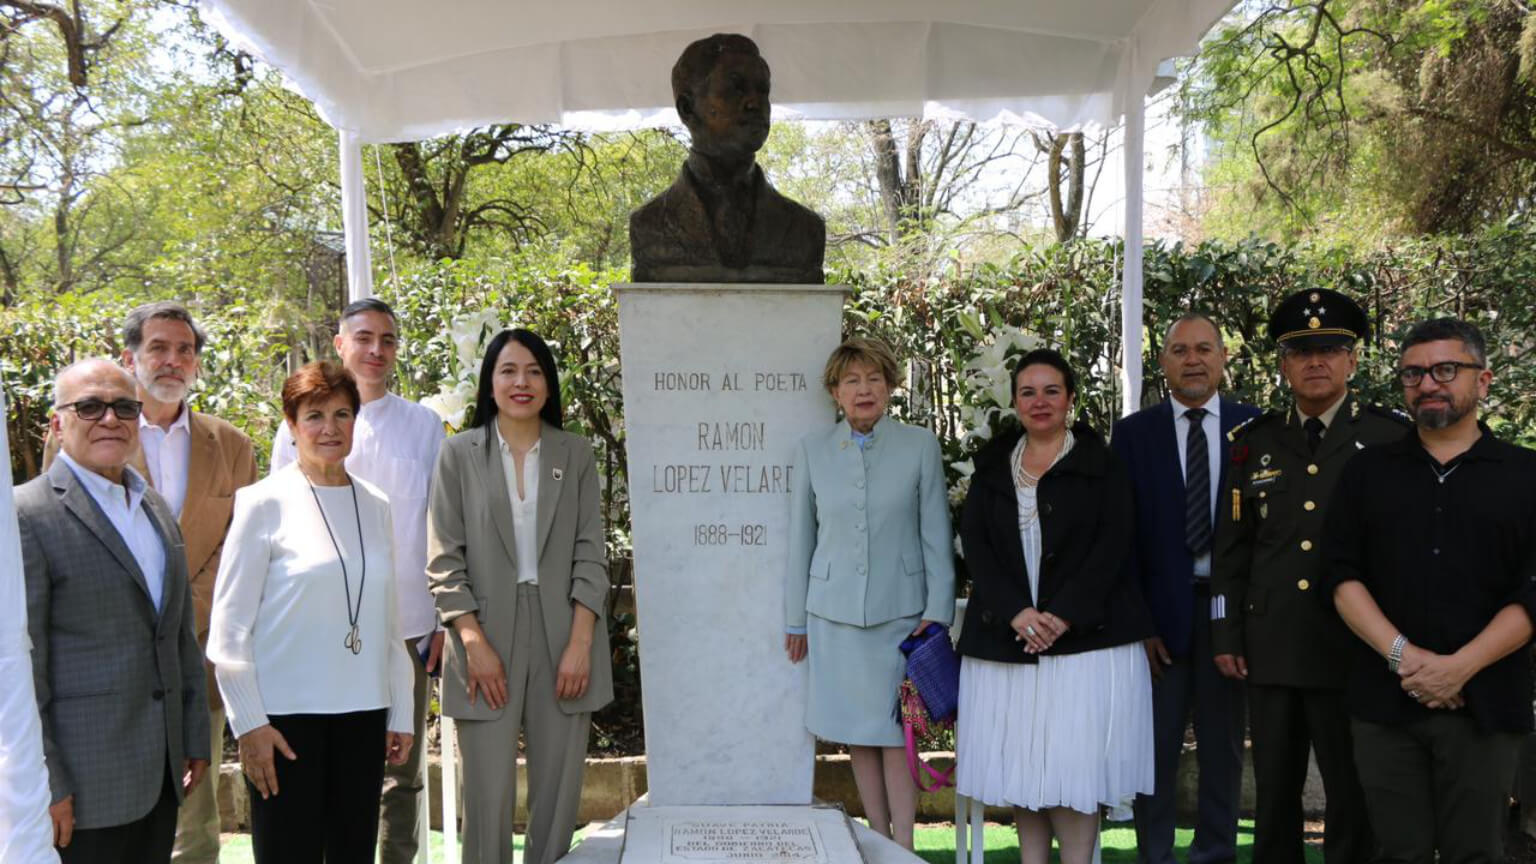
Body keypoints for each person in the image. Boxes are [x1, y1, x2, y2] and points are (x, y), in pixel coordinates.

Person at [44, 302, 258, 864]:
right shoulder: (90, 431)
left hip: (196, 662)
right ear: (130, 356)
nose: (172, 360)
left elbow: (241, 549)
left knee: (195, 821)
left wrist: (177, 615)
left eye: (185, 350)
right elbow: (61, 535)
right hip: (101, 682)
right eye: (159, 347)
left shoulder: (232, 445)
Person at [1323, 317, 1536, 864]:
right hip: (1384, 704)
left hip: (1486, 706)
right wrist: (1405, 659)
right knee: (1397, 852)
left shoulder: (1524, 474)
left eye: (1446, 369)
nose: (1428, 384)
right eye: (1413, 374)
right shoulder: (1366, 472)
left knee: (1476, 852)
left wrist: (1459, 667)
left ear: (1482, 381)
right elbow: (1341, 577)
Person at [1211, 288, 1410, 864]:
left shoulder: (1388, 439)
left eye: (1329, 349)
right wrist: (1225, 634)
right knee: (1274, 795)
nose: (1315, 361)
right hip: (1272, 649)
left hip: (1355, 650)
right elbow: (1232, 553)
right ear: (1283, 364)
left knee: (1352, 793)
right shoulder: (1254, 445)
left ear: (1351, 361)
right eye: (1301, 352)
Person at [209, 361, 415, 864]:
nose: (330, 428)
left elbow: (388, 622)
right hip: (284, 723)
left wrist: (403, 713)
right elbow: (230, 629)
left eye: (343, 414)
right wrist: (249, 725)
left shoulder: (376, 504)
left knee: (353, 853)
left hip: (363, 717)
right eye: (315, 415)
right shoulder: (262, 502)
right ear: (291, 424)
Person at [955, 348, 1154, 864]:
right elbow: (975, 541)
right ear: (1015, 400)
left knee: (1072, 771)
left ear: (1069, 398)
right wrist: (1017, 611)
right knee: (1026, 770)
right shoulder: (992, 464)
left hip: (1085, 644)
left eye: (1051, 390)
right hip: (1009, 637)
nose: (1039, 401)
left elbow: (1114, 545)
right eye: (1027, 391)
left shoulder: (1101, 464)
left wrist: (1063, 614)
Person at [428, 328, 613, 864]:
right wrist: (472, 642)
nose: (521, 382)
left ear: (549, 386)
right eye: (508, 371)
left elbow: (590, 553)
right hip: (482, 633)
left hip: (564, 633)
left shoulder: (575, 453)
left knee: (557, 794)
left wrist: (580, 643)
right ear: (489, 384)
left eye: (534, 371)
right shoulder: (457, 455)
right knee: (486, 795)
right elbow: (444, 559)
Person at [270, 297, 445, 863]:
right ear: (340, 344)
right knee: (327, 773)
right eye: (364, 337)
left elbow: (445, 526)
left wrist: (442, 620)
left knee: (402, 774)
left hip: (405, 632)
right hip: (317, 633)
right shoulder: (298, 426)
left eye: (388, 340)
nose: (376, 350)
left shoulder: (421, 426)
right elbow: (279, 524)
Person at [17, 358, 210, 863]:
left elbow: (177, 637)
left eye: (124, 406)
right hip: (81, 789)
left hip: (162, 777)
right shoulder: (26, 514)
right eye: (89, 406)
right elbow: (21, 667)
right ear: (58, 423)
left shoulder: (156, 509)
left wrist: (192, 736)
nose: (109, 419)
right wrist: (45, 779)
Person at [784, 336, 955, 849]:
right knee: (859, 733)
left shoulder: (919, 444)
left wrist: (938, 611)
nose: (864, 389)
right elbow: (801, 540)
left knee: (895, 733)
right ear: (835, 392)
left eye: (874, 378)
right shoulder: (812, 451)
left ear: (890, 386)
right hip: (833, 617)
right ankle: (877, 841)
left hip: (903, 616)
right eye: (852, 381)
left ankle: (905, 844)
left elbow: (936, 534)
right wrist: (796, 620)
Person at [1115, 313, 1257, 864]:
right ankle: (1156, 853)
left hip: (1232, 620)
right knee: (1154, 750)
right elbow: (1121, 540)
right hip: (1159, 624)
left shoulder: (1254, 427)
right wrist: (1139, 625)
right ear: (1164, 362)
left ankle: (1216, 851)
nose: (1192, 359)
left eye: (1204, 349)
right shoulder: (1134, 435)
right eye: (1179, 350)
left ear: (1223, 357)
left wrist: (1246, 625)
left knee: (1224, 747)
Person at [629, 32, 826, 284]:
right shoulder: (649, 226)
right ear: (687, 109)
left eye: (763, 90)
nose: (755, 102)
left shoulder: (804, 230)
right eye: (735, 88)